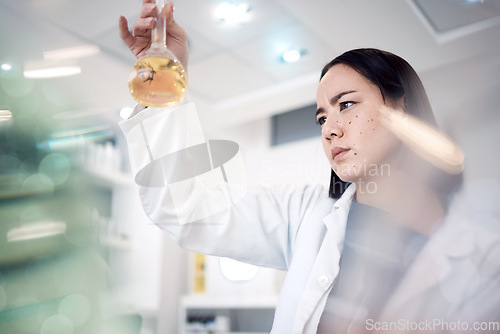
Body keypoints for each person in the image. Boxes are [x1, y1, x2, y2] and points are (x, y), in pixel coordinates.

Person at [118, 1, 500, 333]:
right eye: (322, 118)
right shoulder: (304, 216)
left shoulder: (480, 254)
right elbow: (185, 208)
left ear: (401, 106)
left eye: (346, 105)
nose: (331, 130)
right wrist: (164, 83)